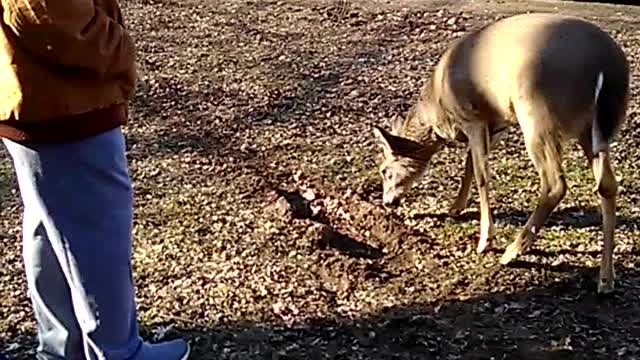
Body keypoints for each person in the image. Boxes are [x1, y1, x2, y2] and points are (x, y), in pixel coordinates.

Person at [0, 0, 189, 359]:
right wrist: (118, 50)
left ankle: (62, 348)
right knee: (96, 231)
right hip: (63, 100)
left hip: (31, 92)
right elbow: (49, 12)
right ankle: (117, 352)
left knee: (49, 225)